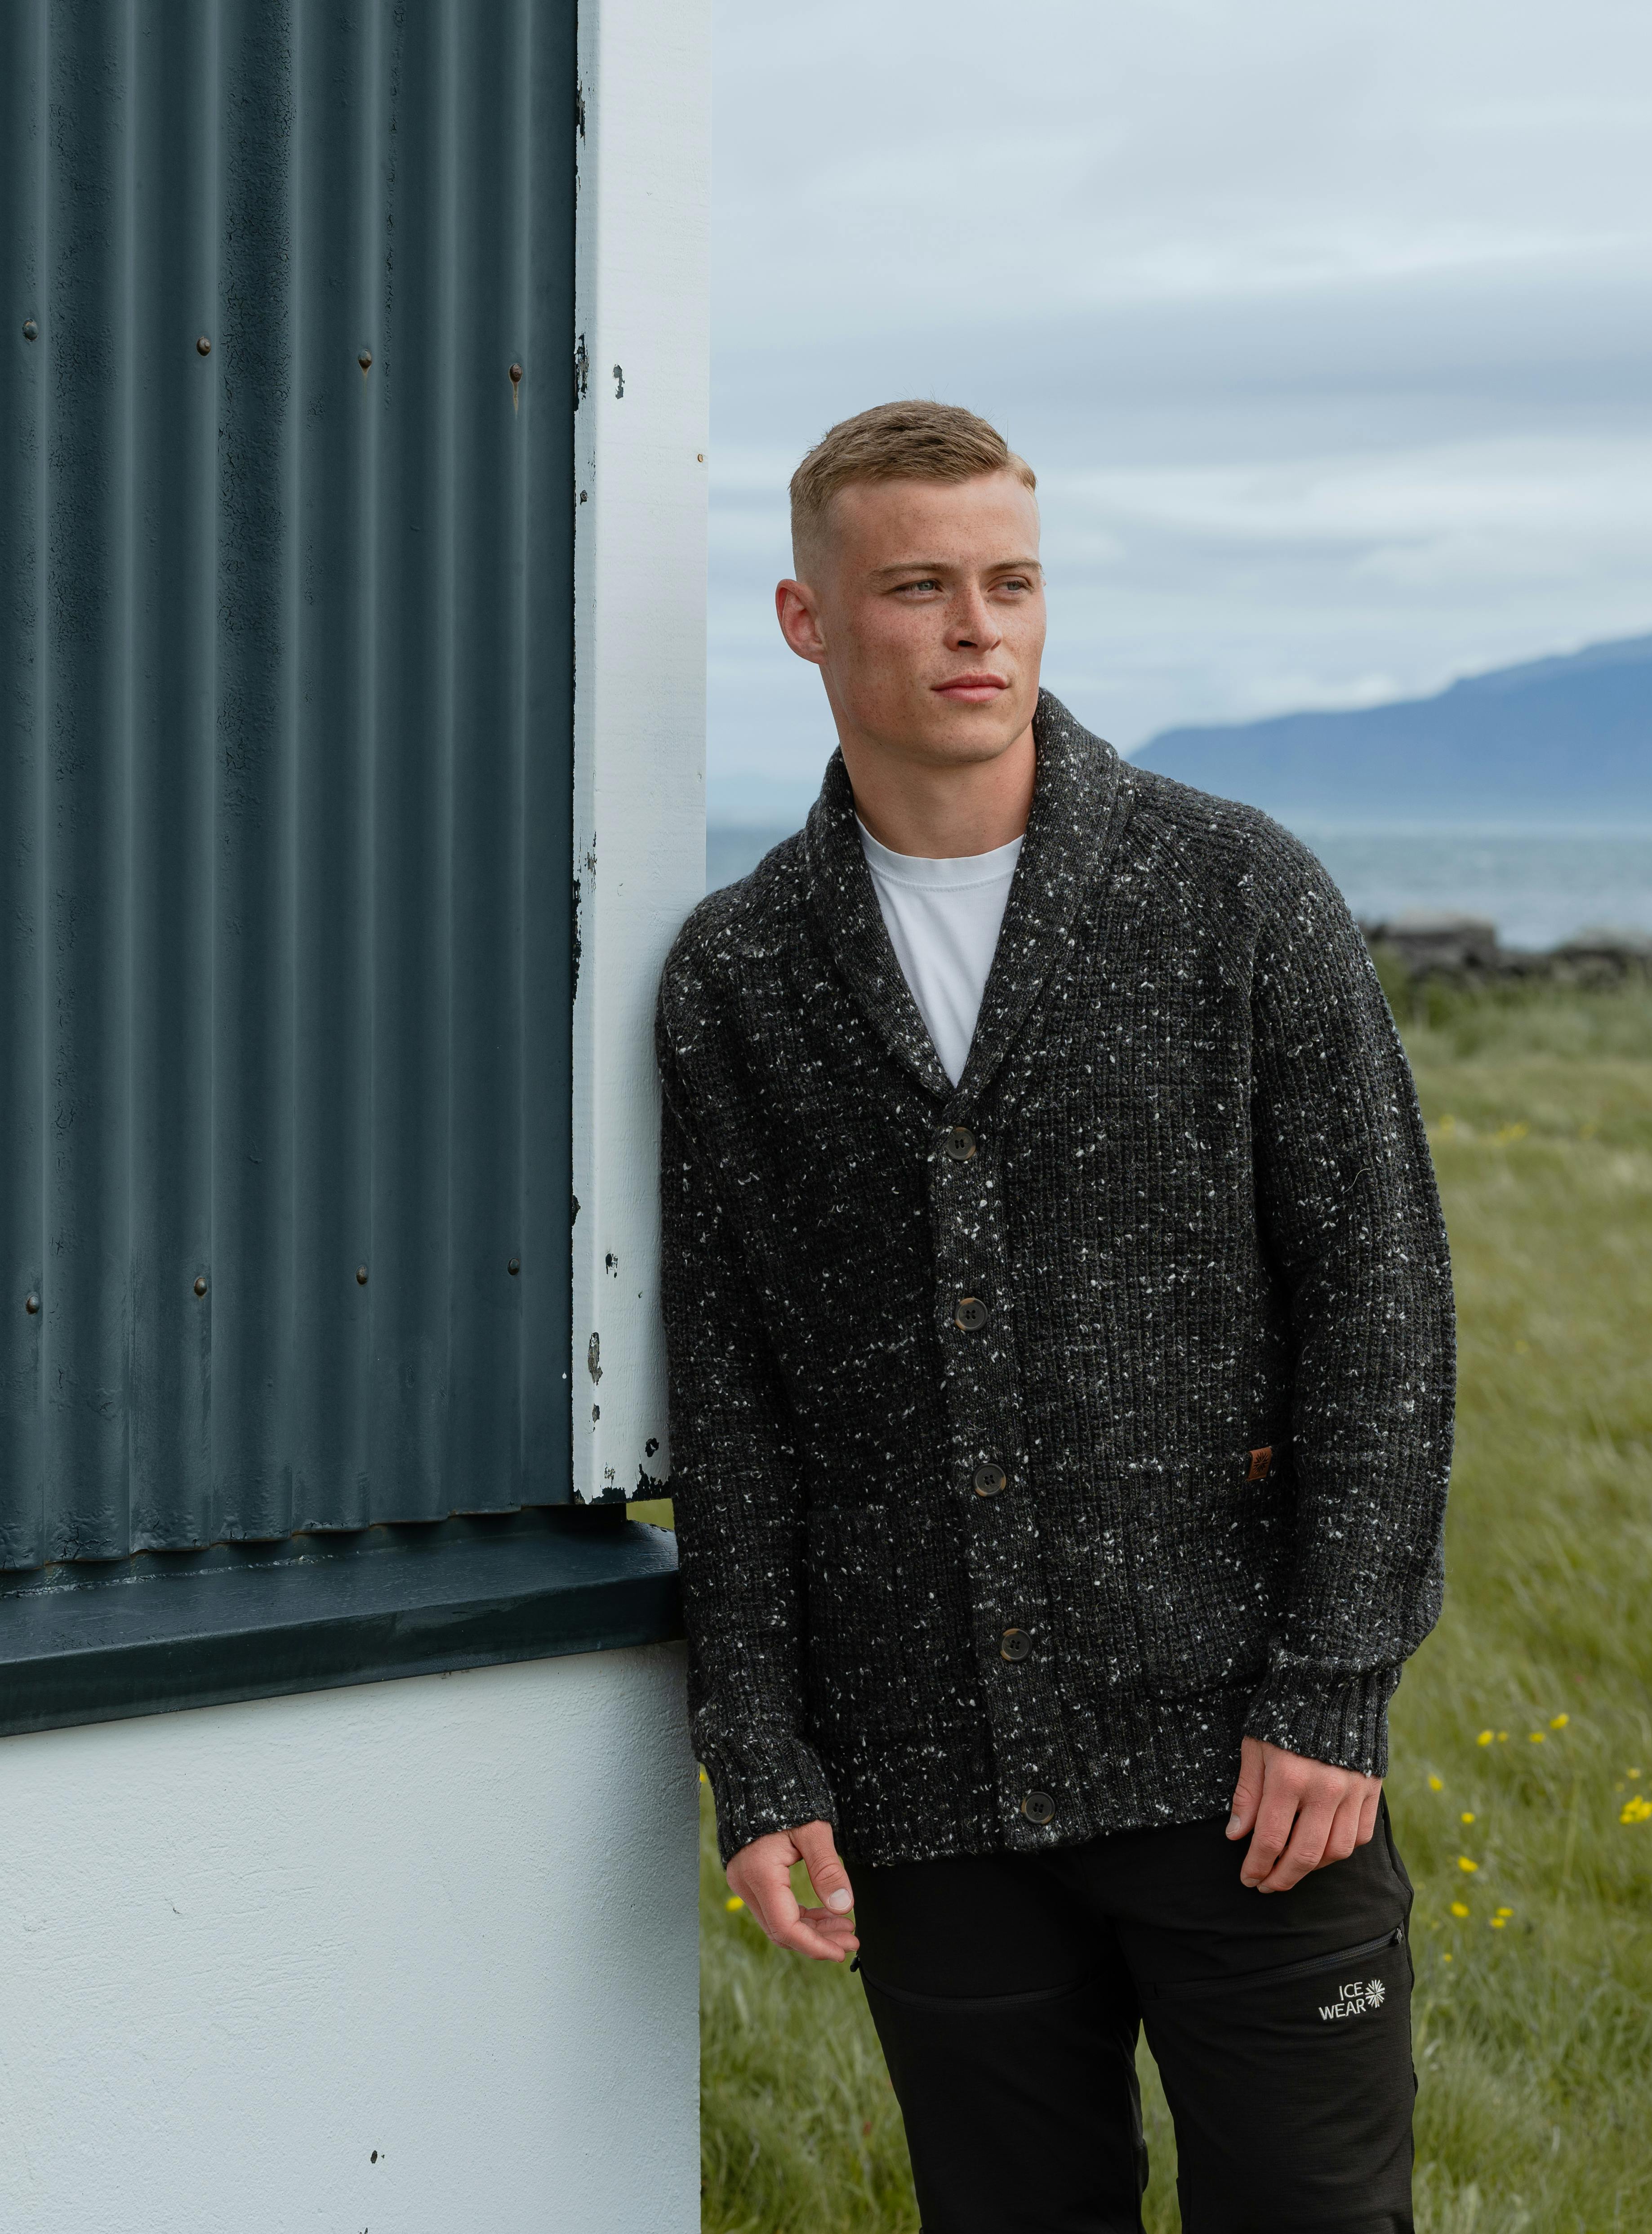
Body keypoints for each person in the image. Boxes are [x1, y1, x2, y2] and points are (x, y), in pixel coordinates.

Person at [657, 399, 1455, 2233]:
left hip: (1248, 1764)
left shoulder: (1229, 892)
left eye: (1011, 583)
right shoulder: (743, 974)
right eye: (922, 587)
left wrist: (1335, 1683)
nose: (977, 630)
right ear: (807, 619)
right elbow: (738, 1395)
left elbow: (1381, 1305)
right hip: (929, 1781)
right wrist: (763, 1756)